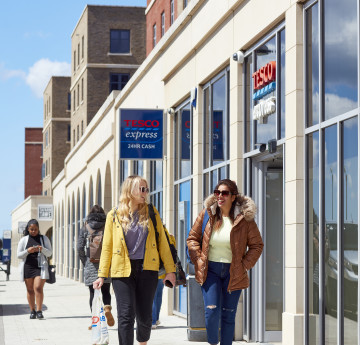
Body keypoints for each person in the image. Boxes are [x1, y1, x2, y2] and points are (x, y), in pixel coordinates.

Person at [93, 175, 176, 345]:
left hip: (148, 269)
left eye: (146, 189)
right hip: (122, 270)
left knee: (145, 317)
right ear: (130, 190)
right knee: (125, 315)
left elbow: (163, 243)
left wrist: (170, 270)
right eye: (142, 188)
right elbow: (107, 246)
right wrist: (101, 274)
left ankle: (142, 342)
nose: (145, 192)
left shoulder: (152, 212)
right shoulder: (113, 215)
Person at [187, 179, 264, 345]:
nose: (219, 196)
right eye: (217, 192)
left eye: (224, 193)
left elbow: (257, 245)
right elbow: (192, 238)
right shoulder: (207, 214)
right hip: (211, 270)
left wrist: (244, 265)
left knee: (229, 315)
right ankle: (213, 342)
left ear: (233, 196)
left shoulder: (245, 220)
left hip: (233, 271)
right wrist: (199, 260)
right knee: (211, 312)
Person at [77, 204, 114, 329]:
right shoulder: (108, 225)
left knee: (93, 293)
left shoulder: (85, 227)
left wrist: (85, 261)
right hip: (106, 264)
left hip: (90, 263)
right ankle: (107, 307)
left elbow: (79, 248)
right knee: (106, 290)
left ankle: (95, 321)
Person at [17, 219, 52, 319]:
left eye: (35, 229)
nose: (33, 231)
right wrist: (28, 251)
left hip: (40, 267)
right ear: (28, 229)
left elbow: (49, 253)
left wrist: (42, 249)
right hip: (28, 266)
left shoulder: (44, 238)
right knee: (30, 289)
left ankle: (39, 310)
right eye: (31, 229)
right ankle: (32, 311)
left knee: (37, 288)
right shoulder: (24, 240)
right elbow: (18, 255)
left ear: (38, 229)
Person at [151, 232, 176, 329]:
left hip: (152, 268)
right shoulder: (166, 234)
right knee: (158, 296)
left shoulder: (151, 234)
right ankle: (156, 319)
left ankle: (152, 321)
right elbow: (172, 248)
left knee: (151, 296)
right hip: (162, 271)